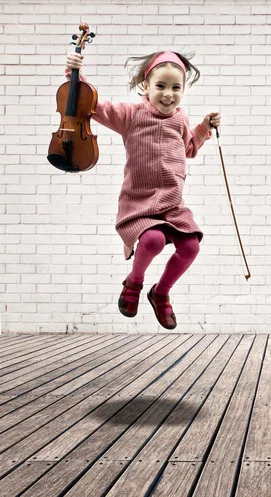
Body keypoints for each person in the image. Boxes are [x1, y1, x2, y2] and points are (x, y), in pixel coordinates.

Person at [65, 50, 221, 330]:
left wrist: (204, 127)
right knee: (152, 242)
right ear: (146, 87)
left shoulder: (180, 119)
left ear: (183, 90)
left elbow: (188, 149)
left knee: (191, 246)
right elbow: (93, 105)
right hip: (140, 203)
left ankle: (160, 292)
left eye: (176, 87)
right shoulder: (131, 115)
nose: (168, 94)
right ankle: (134, 283)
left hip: (172, 205)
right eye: (160, 86)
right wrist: (74, 75)